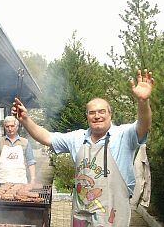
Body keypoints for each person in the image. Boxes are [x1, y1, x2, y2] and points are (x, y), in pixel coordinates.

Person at [12, 69, 154, 226]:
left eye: (101, 112)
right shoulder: (77, 138)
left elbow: (143, 124)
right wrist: (25, 119)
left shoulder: (124, 135)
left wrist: (143, 102)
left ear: (110, 114)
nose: (97, 116)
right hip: (82, 214)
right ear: (87, 116)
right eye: (92, 113)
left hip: (112, 216)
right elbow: (46, 137)